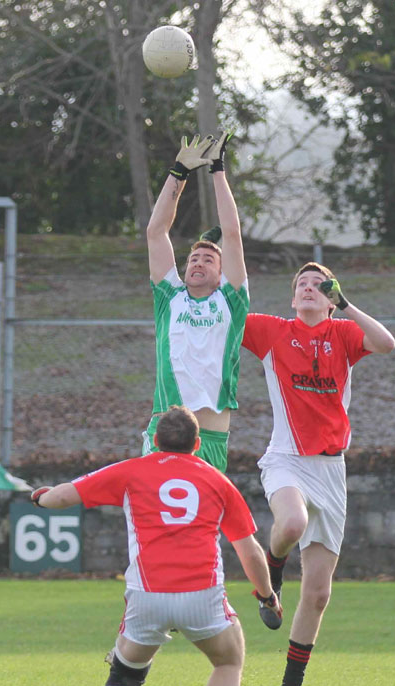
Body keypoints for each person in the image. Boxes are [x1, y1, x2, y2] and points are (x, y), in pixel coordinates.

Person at [31, 405, 281, 686]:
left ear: (154, 442)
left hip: (147, 596)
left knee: (126, 671)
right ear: (197, 444)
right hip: (202, 595)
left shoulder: (132, 470)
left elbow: (64, 497)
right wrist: (267, 597)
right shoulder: (216, 481)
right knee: (229, 662)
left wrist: (42, 498)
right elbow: (250, 551)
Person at [242, 262, 395, 686]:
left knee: (320, 597)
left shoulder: (344, 333)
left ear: (329, 299)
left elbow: (387, 343)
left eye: (318, 286)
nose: (308, 289)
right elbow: (224, 312)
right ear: (291, 299)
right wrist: (213, 259)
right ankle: (270, 579)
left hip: (332, 471)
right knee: (290, 522)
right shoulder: (271, 331)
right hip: (287, 459)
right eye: (300, 285)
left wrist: (346, 303)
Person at [143, 131, 249, 473]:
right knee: (152, 522)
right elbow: (156, 232)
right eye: (194, 258)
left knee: (206, 527)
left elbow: (231, 234)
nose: (198, 262)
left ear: (222, 275)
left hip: (211, 437)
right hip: (163, 433)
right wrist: (179, 173)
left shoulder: (231, 301)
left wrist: (217, 170)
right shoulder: (169, 297)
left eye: (208, 259)